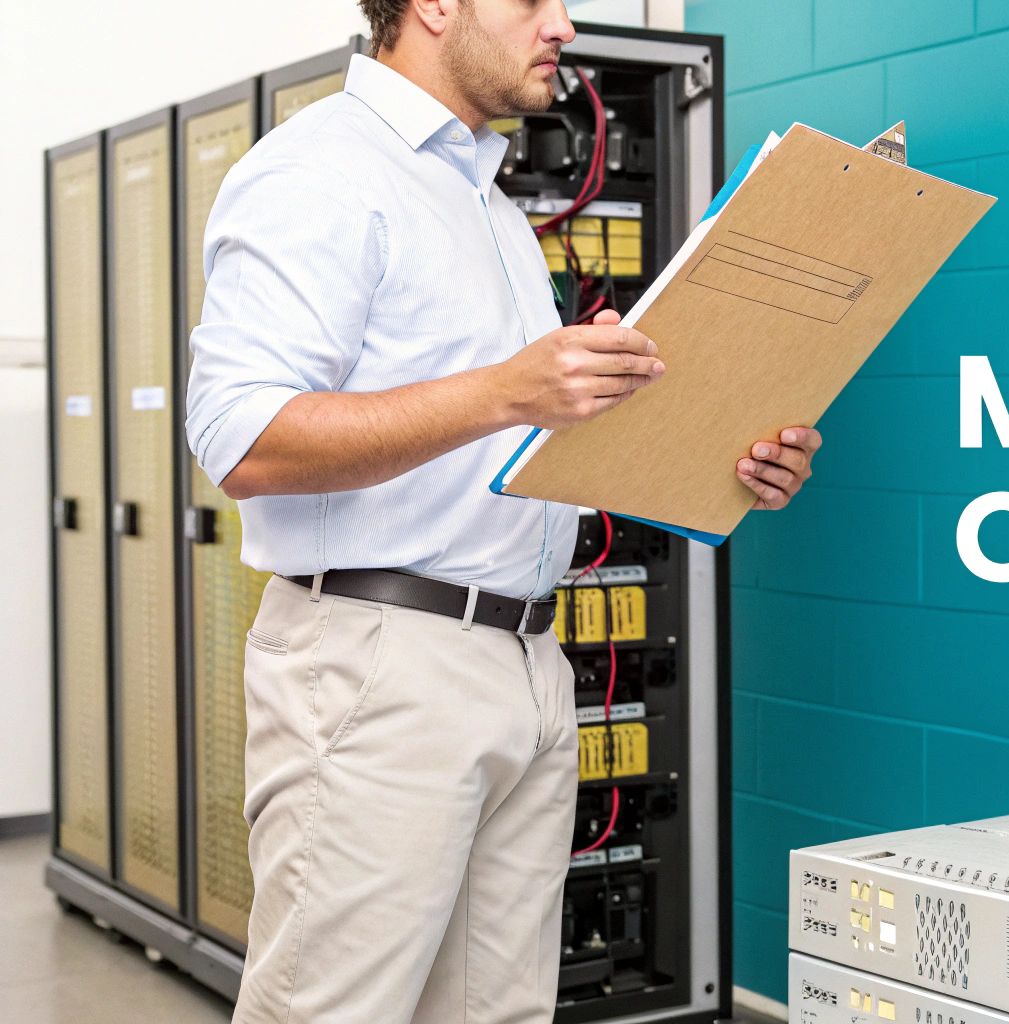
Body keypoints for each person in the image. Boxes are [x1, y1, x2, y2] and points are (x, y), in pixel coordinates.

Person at [184, 1, 820, 1020]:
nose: (563, 23)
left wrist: (713, 448)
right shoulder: (322, 171)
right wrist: (508, 389)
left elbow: (504, 445)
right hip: (380, 662)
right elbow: (242, 439)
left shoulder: (484, 201)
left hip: (523, 659)